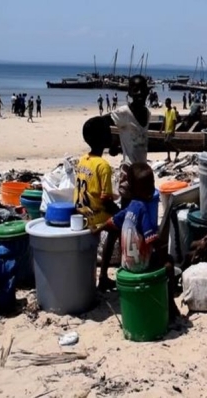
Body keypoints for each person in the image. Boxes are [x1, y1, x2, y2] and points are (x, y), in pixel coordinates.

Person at [86, 75, 151, 289]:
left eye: (143, 90)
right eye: (135, 90)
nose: (139, 94)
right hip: (128, 177)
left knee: (140, 223)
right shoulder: (123, 112)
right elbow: (100, 122)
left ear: (148, 91)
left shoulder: (148, 114)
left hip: (143, 174)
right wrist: (107, 143)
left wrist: (117, 145)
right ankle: (104, 275)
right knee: (121, 223)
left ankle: (133, 263)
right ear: (130, 93)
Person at [92, 163, 179, 321]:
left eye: (152, 183)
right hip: (140, 264)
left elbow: (111, 223)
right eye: (147, 185)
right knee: (169, 263)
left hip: (125, 263)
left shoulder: (130, 206)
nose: (151, 188)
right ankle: (171, 304)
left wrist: (97, 230)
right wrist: (162, 252)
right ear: (134, 189)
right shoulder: (144, 209)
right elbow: (151, 239)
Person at [74, 118, 119, 290]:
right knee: (119, 225)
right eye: (108, 133)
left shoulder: (82, 160)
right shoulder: (103, 166)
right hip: (95, 214)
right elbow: (106, 202)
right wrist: (121, 212)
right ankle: (104, 276)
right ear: (103, 139)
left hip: (80, 212)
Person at [162, 98, 181, 163]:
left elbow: (174, 121)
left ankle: (177, 150)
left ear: (169, 103)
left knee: (166, 142)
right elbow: (164, 120)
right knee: (166, 144)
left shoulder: (173, 111)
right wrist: (161, 129)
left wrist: (173, 130)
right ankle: (168, 157)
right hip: (166, 130)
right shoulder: (166, 111)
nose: (166, 104)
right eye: (165, 103)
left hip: (170, 130)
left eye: (167, 103)